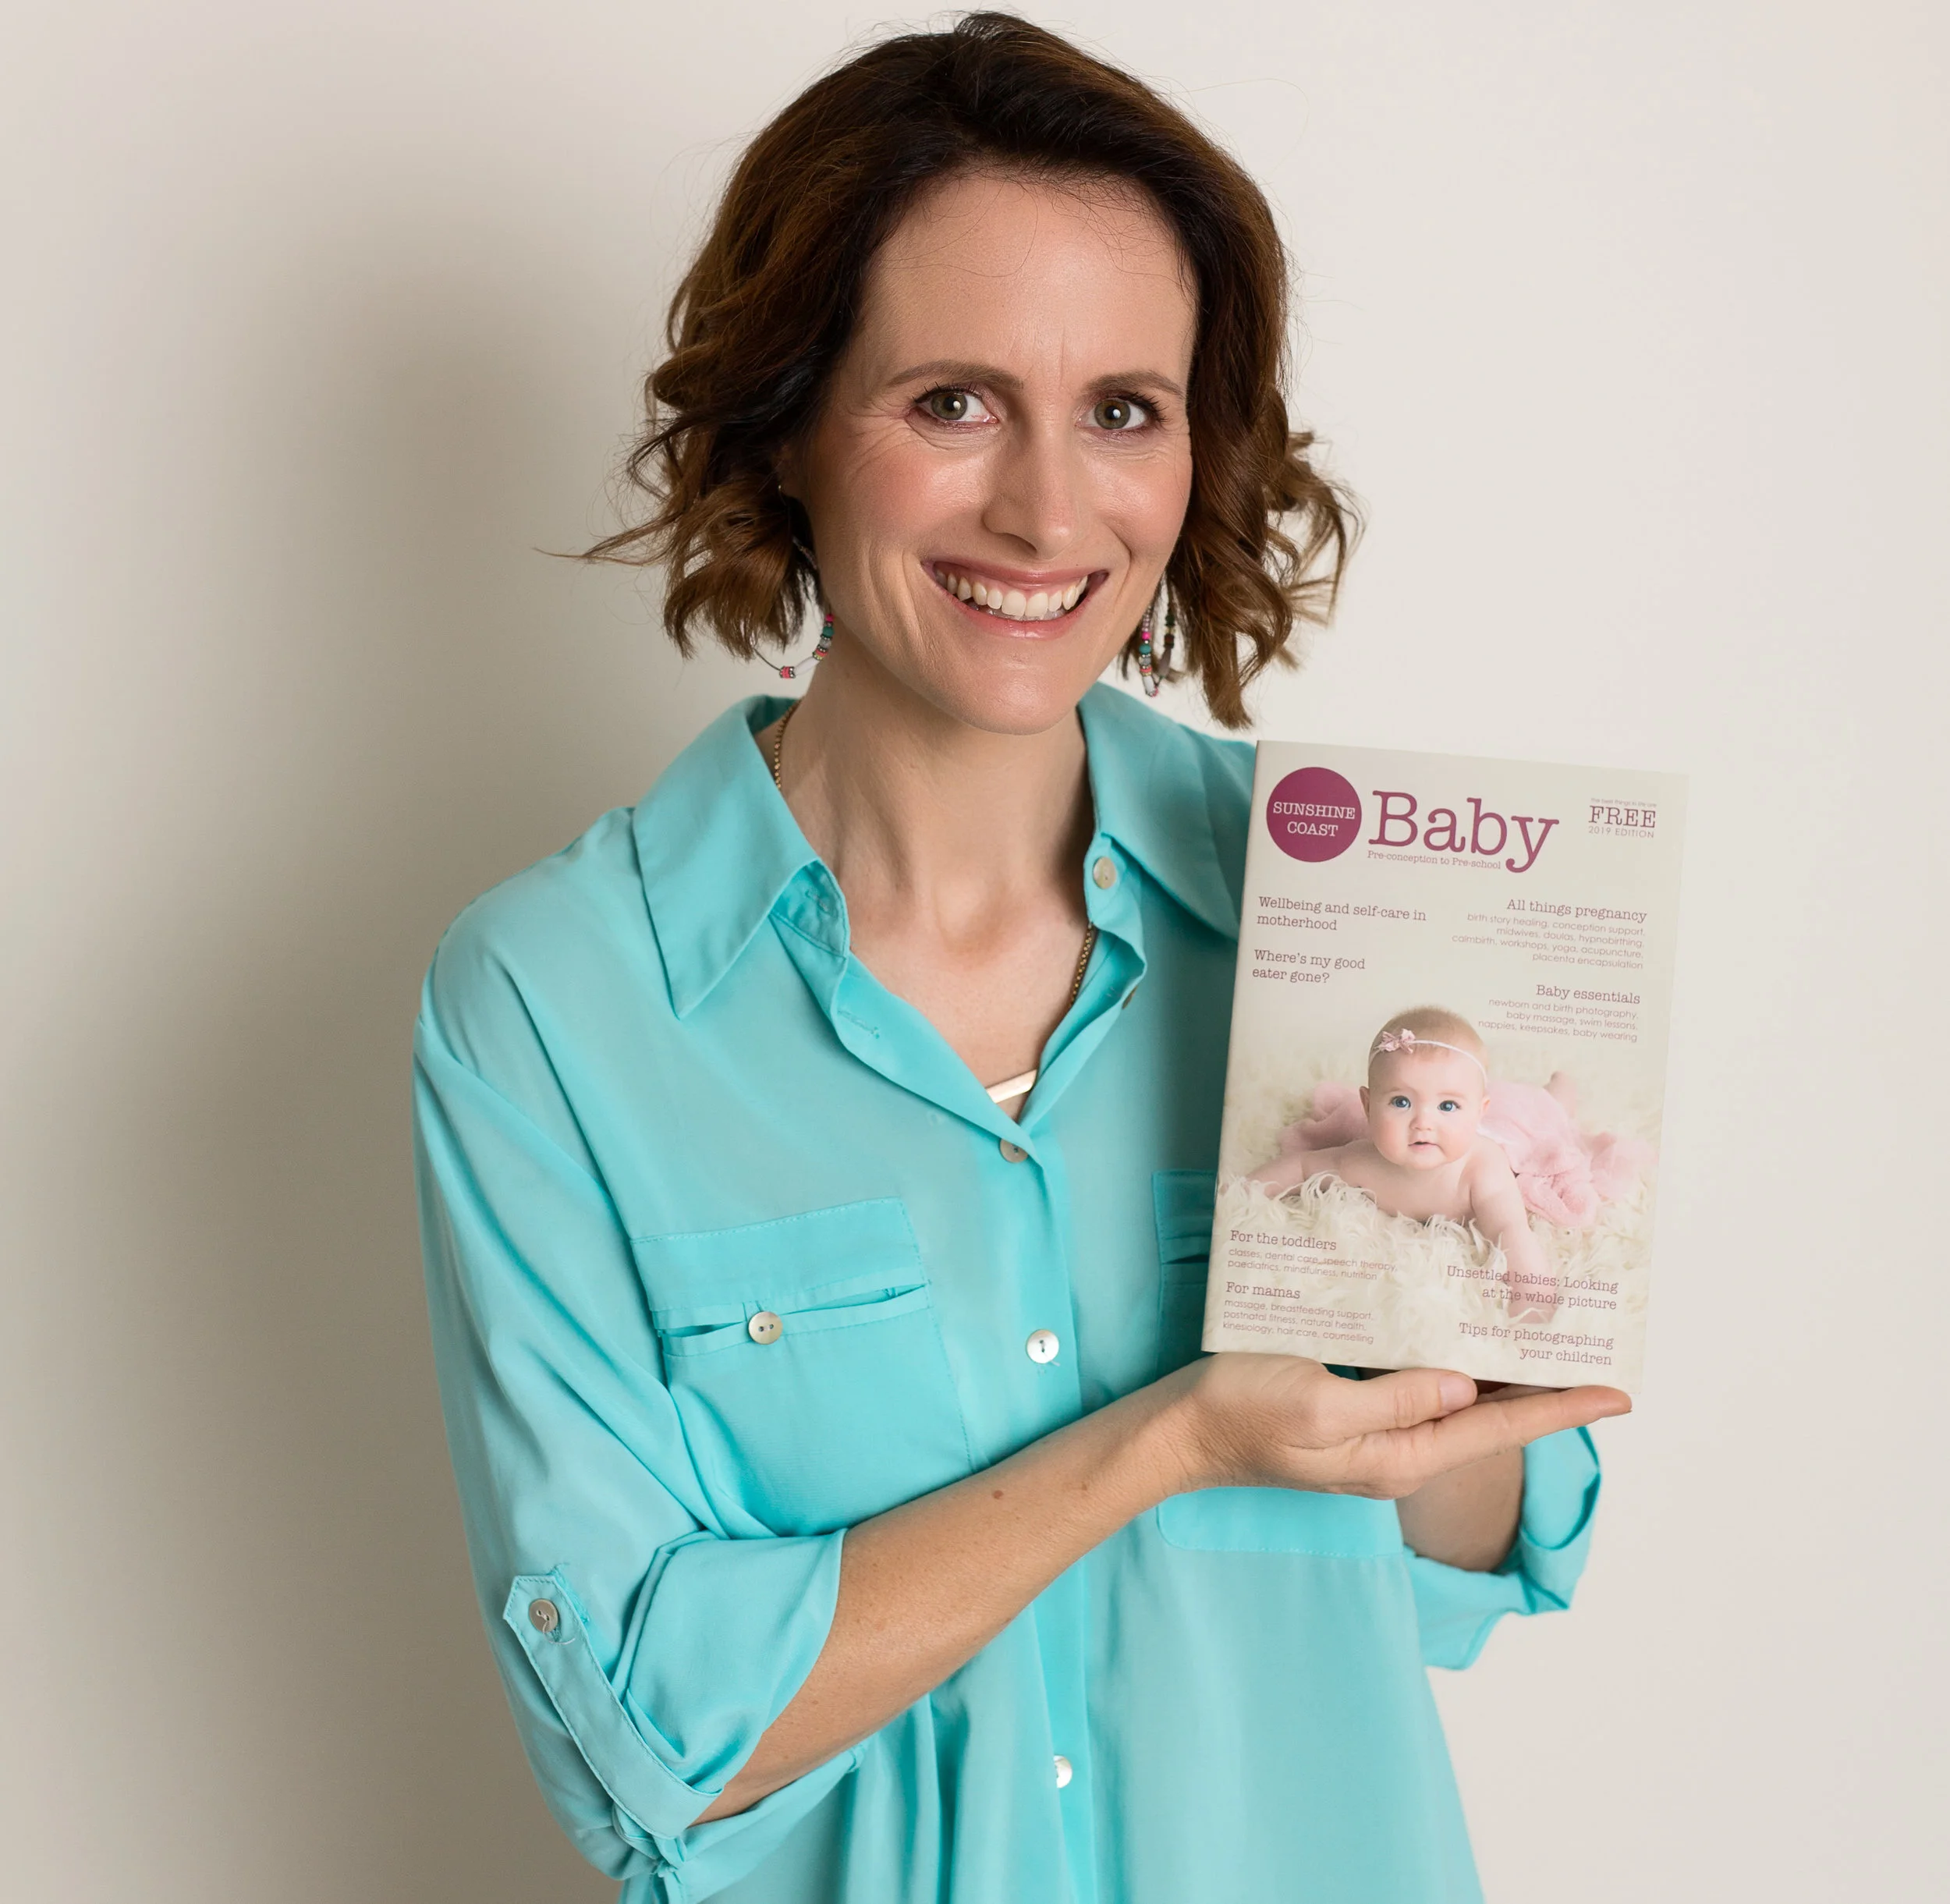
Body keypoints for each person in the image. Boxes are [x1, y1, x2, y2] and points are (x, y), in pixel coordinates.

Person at [411, 16, 1631, 1902]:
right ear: (787, 425)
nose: (1050, 513)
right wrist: (1171, 1437)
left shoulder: (1352, 908)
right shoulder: (553, 1004)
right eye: (952, 403)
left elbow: (1474, 1549)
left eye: (1124, 410)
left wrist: (1445, 1356)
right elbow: (648, 1725)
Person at [1246, 1007, 1562, 1319]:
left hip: (1510, 1128)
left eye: (1447, 1106)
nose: (1423, 1123)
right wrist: (1244, 1191)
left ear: (1479, 1112)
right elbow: (1302, 1167)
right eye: (1401, 1102)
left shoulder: (1481, 1170)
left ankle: (1559, 1089)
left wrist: (1532, 1303)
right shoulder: (1361, 1162)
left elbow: (1511, 1230)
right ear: (1368, 1106)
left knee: (1545, 1112)